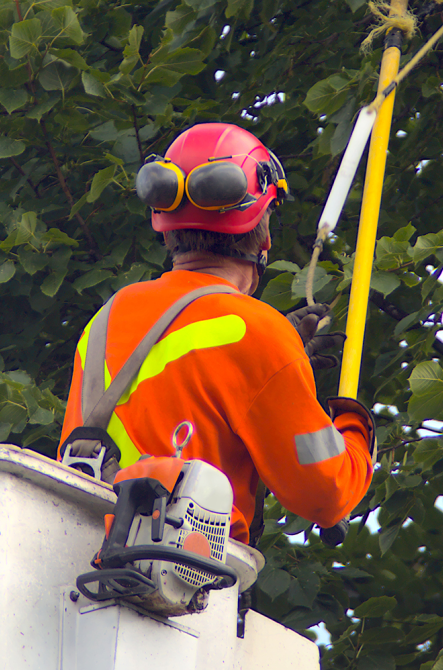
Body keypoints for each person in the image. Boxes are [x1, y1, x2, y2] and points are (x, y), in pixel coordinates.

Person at [56, 123, 374, 544]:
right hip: (187, 585)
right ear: (262, 233)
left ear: (166, 227)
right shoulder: (258, 334)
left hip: (77, 562)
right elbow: (325, 495)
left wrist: (275, 356)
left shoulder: (108, 316)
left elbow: (178, 387)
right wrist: (354, 427)